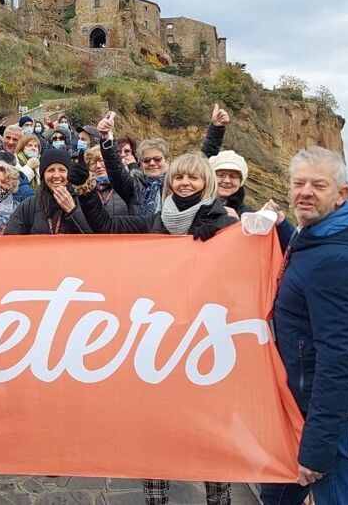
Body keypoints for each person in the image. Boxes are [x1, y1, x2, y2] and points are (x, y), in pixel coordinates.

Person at [69, 152, 235, 505]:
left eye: (194, 178)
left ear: (207, 182)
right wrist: (84, 189)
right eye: (179, 178)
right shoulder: (157, 221)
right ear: (170, 183)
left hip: (206, 346)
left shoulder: (224, 224)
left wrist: (226, 237)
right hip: (159, 344)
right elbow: (108, 228)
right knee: (156, 429)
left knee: (211, 435)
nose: (185, 183)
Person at [259, 147, 348, 505]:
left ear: (341, 194)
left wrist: (317, 450)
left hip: (337, 421)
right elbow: (307, 266)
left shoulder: (337, 261)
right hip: (307, 408)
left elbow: (338, 360)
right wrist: (283, 226)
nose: (306, 192)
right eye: (299, 183)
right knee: (274, 497)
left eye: (318, 185)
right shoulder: (317, 235)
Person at [96, 105, 229, 215]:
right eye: (147, 160)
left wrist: (216, 128)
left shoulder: (177, 182)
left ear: (167, 160)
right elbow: (115, 168)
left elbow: (204, 157)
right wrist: (107, 137)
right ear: (140, 163)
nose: (152, 163)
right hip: (141, 242)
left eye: (157, 159)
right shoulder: (133, 185)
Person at [3, 148, 91, 235]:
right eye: (50, 170)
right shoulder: (28, 205)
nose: (56, 175)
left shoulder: (82, 201)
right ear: (43, 176)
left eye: (62, 170)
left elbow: (93, 240)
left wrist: (73, 211)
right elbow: (10, 240)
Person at [83, 146, 128, 215]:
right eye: (93, 163)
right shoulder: (86, 192)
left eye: (102, 161)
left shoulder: (125, 185)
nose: (98, 166)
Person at [208, 150, 253, 218]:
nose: (227, 181)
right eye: (221, 175)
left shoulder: (250, 216)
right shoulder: (194, 204)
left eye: (233, 176)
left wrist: (237, 225)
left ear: (241, 182)